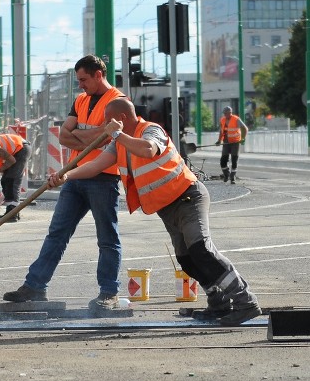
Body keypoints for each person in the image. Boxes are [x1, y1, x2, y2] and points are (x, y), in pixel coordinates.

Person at [48, 97, 261, 326]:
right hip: (167, 207)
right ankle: (218, 302)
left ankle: (245, 301)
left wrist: (118, 134)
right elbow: (96, 165)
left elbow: (148, 150)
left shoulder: (151, 130)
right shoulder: (118, 143)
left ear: (120, 119)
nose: (105, 127)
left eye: (108, 122)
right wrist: (66, 175)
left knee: (201, 249)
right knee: (186, 260)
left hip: (188, 197)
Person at [3, 55, 125, 308]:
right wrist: (91, 134)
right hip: (75, 175)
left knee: (106, 237)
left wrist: (82, 134)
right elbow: (64, 136)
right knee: (57, 233)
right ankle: (35, 287)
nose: (80, 85)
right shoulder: (81, 100)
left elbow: (104, 139)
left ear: (98, 75)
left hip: (104, 178)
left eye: (83, 80)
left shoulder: (117, 102)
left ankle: (108, 292)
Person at [215, 106, 248, 184]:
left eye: (227, 113)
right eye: (224, 113)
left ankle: (232, 177)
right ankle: (227, 174)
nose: (225, 115)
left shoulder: (236, 119)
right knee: (223, 161)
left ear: (230, 113)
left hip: (235, 143)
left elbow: (245, 128)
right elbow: (221, 131)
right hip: (226, 142)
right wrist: (219, 140)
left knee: (234, 160)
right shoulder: (222, 120)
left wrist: (243, 138)